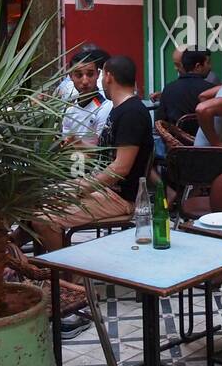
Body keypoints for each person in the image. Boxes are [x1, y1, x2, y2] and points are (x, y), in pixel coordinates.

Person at [32, 54, 154, 253]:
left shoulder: (131, 113)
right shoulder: (119, 109)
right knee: (36, 198)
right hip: (105, 188)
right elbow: (109, 156)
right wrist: (81, 146)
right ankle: (30, 264)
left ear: (107, 76)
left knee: (44, 220)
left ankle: (64, 280)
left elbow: (120, 168)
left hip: (119, 197)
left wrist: (83, 188)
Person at [61, 47, 112, 145]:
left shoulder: (106, 107)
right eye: (79, 75)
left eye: (90, 74)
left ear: (98, 74)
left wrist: (75, 144)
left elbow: (100, 151)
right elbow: (64, 145)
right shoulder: (69, 110)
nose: (85, 81)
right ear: (70, 76)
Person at [157, 48, 215, 130]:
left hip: (173, 140)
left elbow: (160, 121)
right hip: (205, 140)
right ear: (198, 66)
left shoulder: (168, 88)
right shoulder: (210, 90)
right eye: (207, 63)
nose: (210, 67)